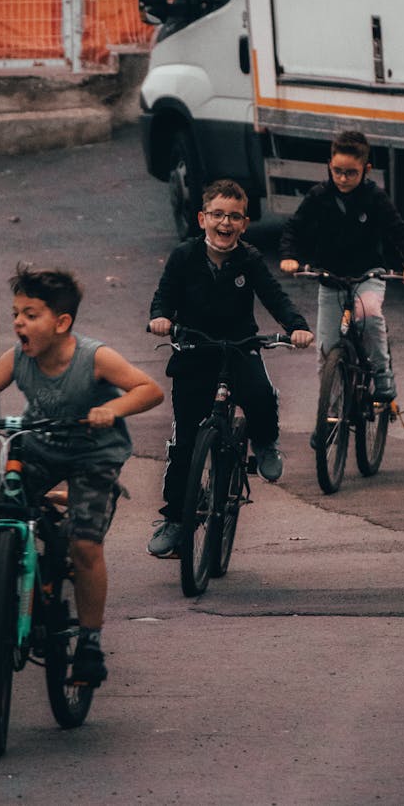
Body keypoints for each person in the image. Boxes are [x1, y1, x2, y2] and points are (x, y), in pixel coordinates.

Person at [0, 263, 164, 688]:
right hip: (41, 445)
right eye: (16, 313)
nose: (19, 322)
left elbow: (149, 389)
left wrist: (113, 409)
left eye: (31, 314)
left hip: (94, 453)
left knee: (85, 546)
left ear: (61, 322)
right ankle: (13, 576)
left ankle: (89, 644)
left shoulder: (94, 357)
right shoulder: (17, 358)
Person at [147, 179, 314, 559]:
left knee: (259, 395)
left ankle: (266, 443)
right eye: (218, 215)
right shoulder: (184, 256)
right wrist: (159, 318)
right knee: (184, 443)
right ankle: (175, 519)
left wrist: (296, 326)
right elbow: (164, 296)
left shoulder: (249, 259)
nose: (226, 223)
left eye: (234, 217)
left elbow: (275, 296)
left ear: (245, 223)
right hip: (193, 349)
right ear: (202, 218)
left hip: (240, 347)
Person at [279, 130, 404, 403]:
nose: (343, 179)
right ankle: (329, 419)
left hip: (367, 274)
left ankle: (382, 375)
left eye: (351, 173)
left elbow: (399, 232)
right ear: (329, 166)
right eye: (337, 171)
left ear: (366, 170)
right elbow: (293, 229)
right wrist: (290, 256)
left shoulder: (374, 197)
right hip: (330, 278)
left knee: (368, 314)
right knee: (325, 351)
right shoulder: (319, 196)